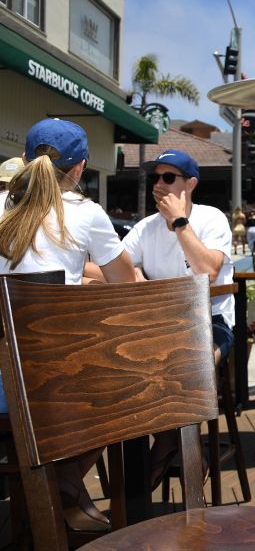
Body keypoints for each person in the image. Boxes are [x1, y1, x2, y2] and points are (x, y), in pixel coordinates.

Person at [0, 118, 136, 531]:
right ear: (80, 169)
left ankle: (49, 483)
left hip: (4, 387)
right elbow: (125, 284)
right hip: (50, 391)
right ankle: (60, 480)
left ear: (24, 159)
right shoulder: (87, 213)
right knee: (128, 396)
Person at [120, 149, 235, 489]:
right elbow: (113, 266)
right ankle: (177, 445)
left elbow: (208, 271)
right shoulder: (145, 227)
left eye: (168, 177)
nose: (159, 184)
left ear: (191, 183)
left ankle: (169, 447)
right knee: (125, 368)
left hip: (210, 323)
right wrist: (134, 272)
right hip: (159, 324)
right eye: (156, 177)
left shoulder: (211, 219)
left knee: (188, 364)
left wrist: (179, 223)